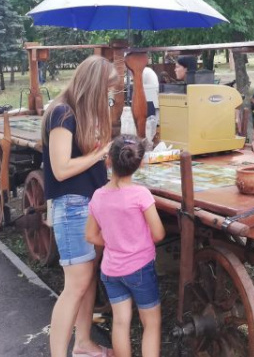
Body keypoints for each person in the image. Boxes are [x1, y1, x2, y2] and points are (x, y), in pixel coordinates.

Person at [42, 55, 119, 357]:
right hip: (73, 206)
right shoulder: (62, 113)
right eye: (108, 89)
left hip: (89, 204)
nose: (111, 95)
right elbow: (61, 169)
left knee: (86, 282)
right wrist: (101, 152)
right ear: (95, 86)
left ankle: (84, 343)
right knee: (75, 287)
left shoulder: (82, 114)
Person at [86, 134, 165, 357]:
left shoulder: (98, 196)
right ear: (140, 164)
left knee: (120, 322)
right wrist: (135, 240)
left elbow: (91, 235)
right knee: (151, 323)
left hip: (111, 270)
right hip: (140, 269)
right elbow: (158, 233)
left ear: (108, 160)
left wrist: (114, 241)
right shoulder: (141, 195)